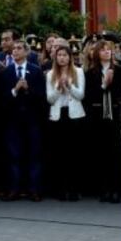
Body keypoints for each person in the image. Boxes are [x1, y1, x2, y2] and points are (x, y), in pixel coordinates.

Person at [84, 39, 121, 203]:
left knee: (116, 153)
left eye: (108, 50)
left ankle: (116, 189)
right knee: (101, 153)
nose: (106, 52)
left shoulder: (120, 70)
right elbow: (89, 96)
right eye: (102, 50)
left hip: (115, 116)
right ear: (97, 53)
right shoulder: (91, 73)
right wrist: (104, 85)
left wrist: (112, 83)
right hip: (98, 117)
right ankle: (104, 188)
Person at [0, 41, 45, 201]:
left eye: (19, 48)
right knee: (14, 155)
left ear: (26, 52)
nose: (15, 51)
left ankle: (34, 189)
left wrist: (28, 89)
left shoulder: (36, 71)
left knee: (34, 154)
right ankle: (14, 189)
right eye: (13, 49)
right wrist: (15, 90)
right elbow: (2, 98)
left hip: (32, 120)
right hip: (13, 120)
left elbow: (42, 97)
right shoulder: (7, 72)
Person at [45, 44, 85, 200]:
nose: (62, 58)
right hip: (58, 116)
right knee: (59, 154)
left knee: (74, 154)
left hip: (74, 116)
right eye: (59, 55)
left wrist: (69, 86)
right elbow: (49, 98)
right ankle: (61, 189)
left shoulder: (78, 72)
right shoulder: (50, 74)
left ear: (70, 57)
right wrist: (59, 89)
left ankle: (74, 189)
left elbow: (80, 95)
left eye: (65, 55)